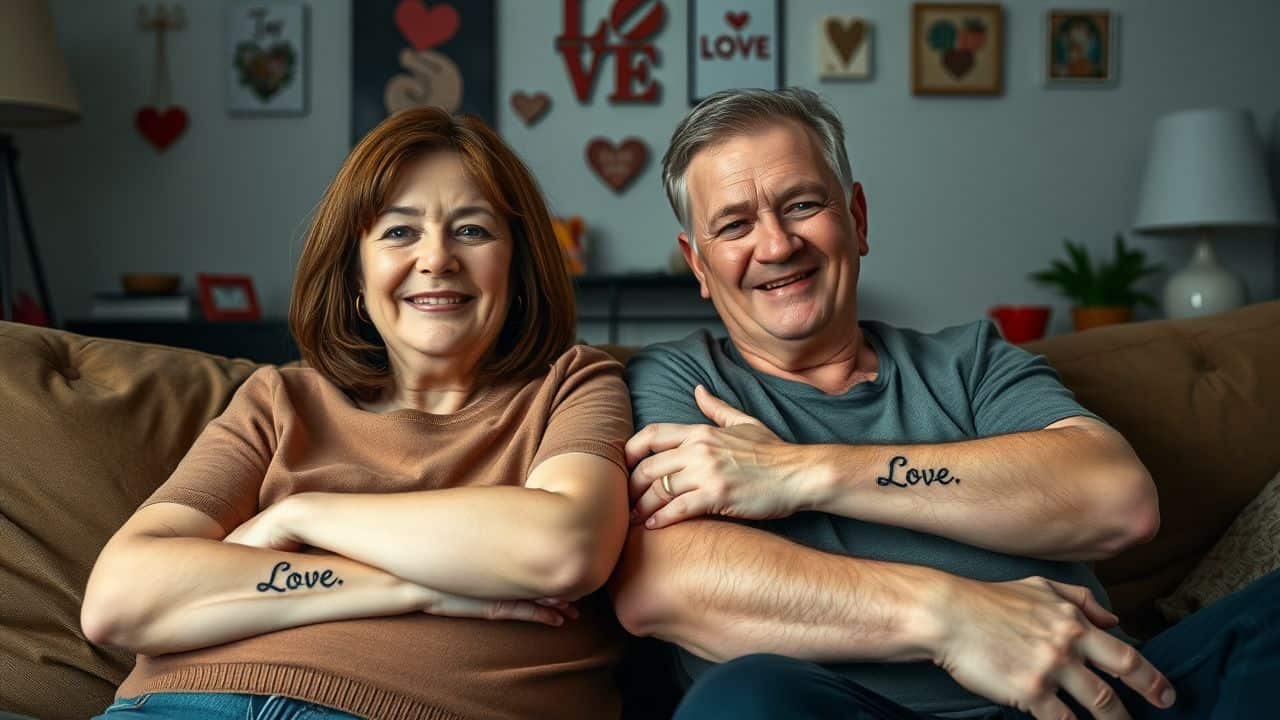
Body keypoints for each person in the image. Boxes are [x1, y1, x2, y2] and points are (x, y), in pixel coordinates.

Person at [612, 87, 1280, 719]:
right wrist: (953, 618)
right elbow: (665, 585)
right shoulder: (678, 382)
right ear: (698, 264)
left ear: (858, 218)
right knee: (743, 699)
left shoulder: (968, 362)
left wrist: (800, 472)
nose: (778, 245)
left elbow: (1118, 501)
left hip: (1096, 702)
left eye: (802, 205)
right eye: (734, 225)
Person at [81, 106, 632, 720]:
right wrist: (413, 586)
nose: (437, 258)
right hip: (178, 704)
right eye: (399, 232)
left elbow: (562, 547)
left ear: (519, 268)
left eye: (472, 231)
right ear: (355, 277)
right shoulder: (281, 399)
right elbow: (119, 599)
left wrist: (300, 516)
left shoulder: (570, 385)